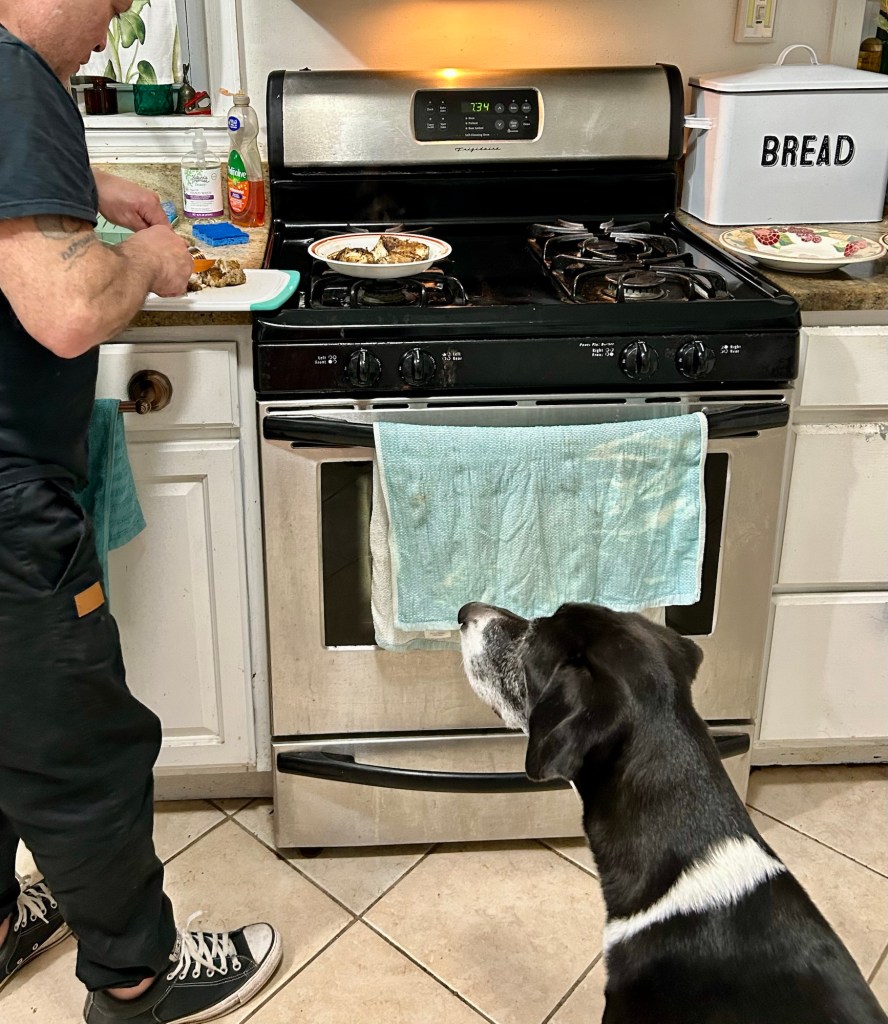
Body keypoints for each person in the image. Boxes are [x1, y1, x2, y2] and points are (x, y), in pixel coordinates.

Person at [0, 3, 282, 1021]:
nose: (119, 11)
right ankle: (138, 975)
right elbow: (68, 308)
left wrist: (89, 196)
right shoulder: (14, 72)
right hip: (6, 503)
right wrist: (150, 263)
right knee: (82, 745)